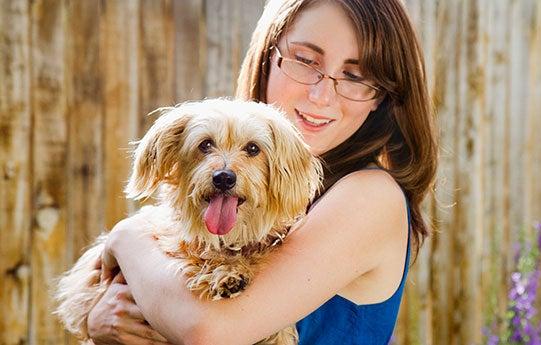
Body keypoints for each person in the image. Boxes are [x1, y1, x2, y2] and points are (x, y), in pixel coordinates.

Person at [86, 0, 437, 343]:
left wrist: (125, 238)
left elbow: (208, 332)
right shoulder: (237, 200)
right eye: (305, 60)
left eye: (354, 75)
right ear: (268, 56)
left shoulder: (370, 196)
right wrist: (98, 318)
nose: (321, 95)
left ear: (381, 96)